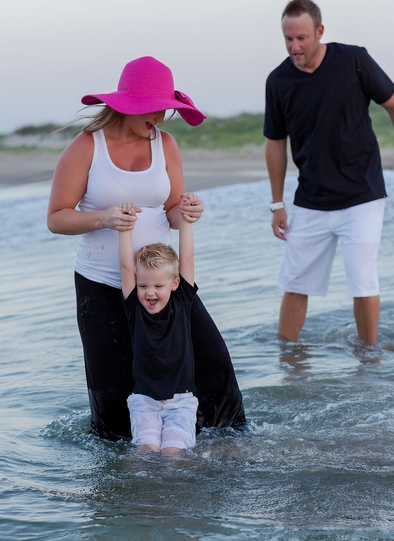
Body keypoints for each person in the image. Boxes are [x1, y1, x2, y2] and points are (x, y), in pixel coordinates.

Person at [47, 56, 245, 440]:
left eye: (165, 109)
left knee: (213, 363)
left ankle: (223, 446)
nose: (160, 117)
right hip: (103, 285)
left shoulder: (165, 144)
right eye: (153, 109)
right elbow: (56, 217)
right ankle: (123, 477)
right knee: (114, 388)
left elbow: (170, 210)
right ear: (127, 104)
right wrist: (103, 218)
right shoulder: (86, 147)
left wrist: (187, 210)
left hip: (163, 283)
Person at [265, 0, 394, 345]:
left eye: (302, 38)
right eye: (288, 39)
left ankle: (368, 357)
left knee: (362, 281)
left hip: (363, 193)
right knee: (295, 282)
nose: (295, 47)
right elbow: (275, 143)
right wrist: (276, 204)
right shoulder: (278, 81)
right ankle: (289, 360)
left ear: (320, 31)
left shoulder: (354, 60)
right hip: (311, 198)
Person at [119, 199, 200, 456]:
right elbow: (126, 266)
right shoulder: (134, 307)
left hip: (182, 402)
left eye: (158, 287)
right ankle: (139, 494)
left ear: (174, 284)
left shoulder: (183, 300)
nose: (150, 293)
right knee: (147, 449)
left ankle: (175, 496)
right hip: (144, 401)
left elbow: (186, 256)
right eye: (143, 286)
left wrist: (186, 219)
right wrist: (125, 228)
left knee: (172, 453)